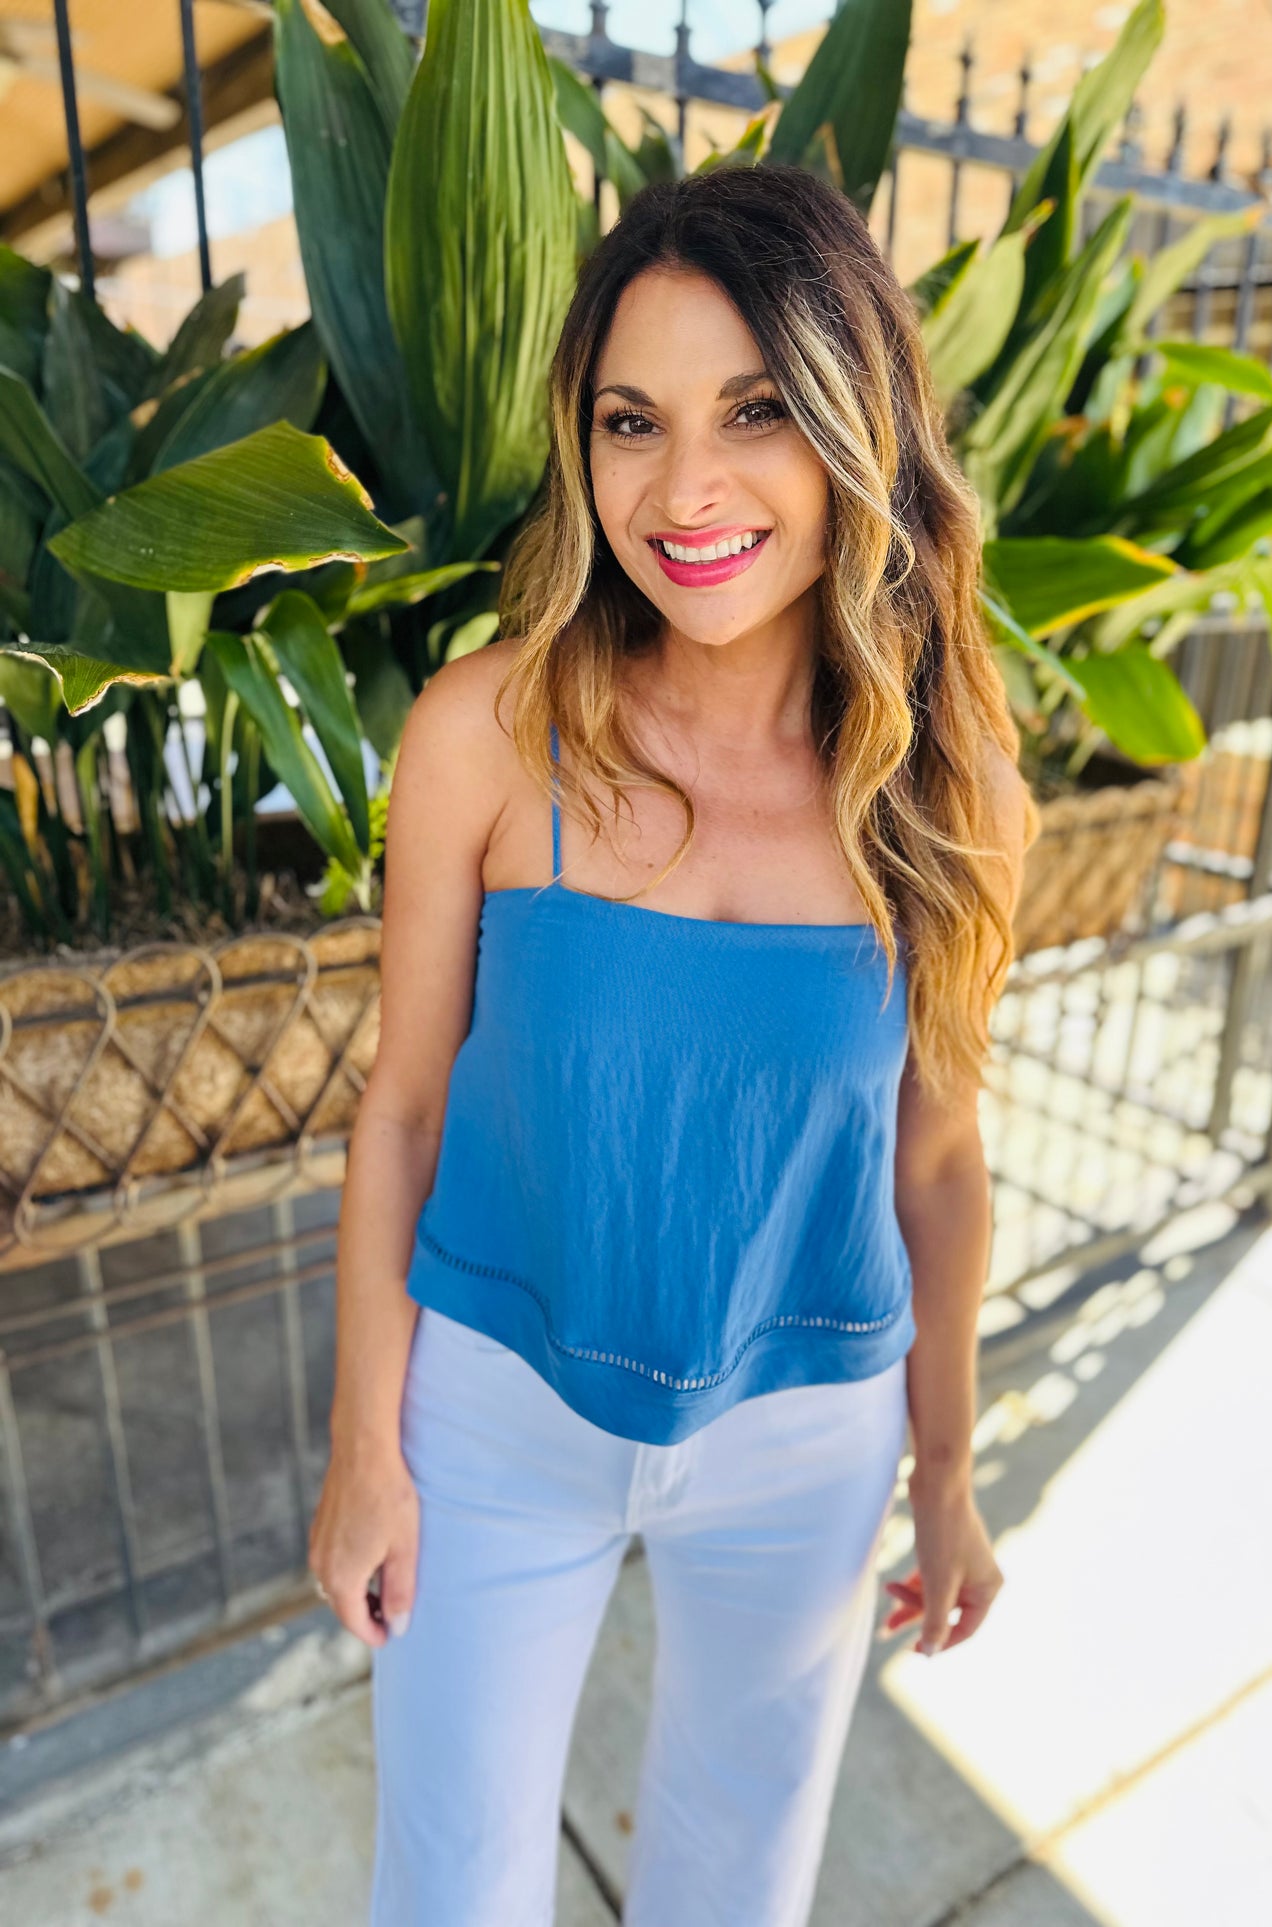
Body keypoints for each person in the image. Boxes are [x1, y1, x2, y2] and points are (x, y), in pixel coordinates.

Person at [308, 162, 1040, 1927]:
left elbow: (938, 1163)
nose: (684, 489)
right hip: (495, 1404)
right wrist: (363, 1450)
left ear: (855, 428)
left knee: (738, 1877)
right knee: (451, 1886)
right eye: (632, 421)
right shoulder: (487, 731)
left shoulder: (948, 790)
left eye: (755, 412)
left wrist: (947, 1473)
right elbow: (402, 1111)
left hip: (809, 1429)